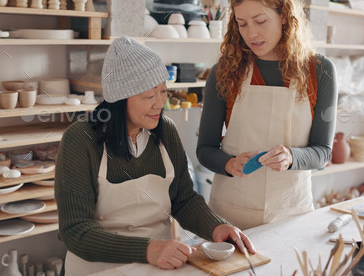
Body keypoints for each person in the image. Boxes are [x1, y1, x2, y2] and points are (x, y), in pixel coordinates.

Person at [55, 36, 255, 276]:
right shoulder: (80, 139)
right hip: (97, 269)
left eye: (163, 91)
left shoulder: (165, 130)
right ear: (119, 99)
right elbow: (76, 231)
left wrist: (216, 226)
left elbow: (183, 199)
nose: (160, 103)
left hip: (157, 267)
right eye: (149, 96)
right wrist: (148, 249)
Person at [197, 0, 338, 230]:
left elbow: (322, 152)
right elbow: (204, 148)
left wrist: (291, 157)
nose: (251, 34)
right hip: (231, 216)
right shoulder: (226, 70)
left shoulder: (320, 71)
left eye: (260, 21)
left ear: (284, 15)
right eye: (242, 23)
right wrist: (229, 163)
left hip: (290, 215)